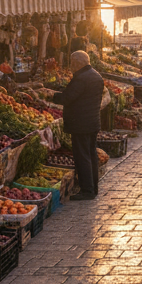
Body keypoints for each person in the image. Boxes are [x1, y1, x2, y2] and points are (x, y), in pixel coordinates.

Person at [50, 51, 105, 201]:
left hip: (81, 123)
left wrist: (50, 95)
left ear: (77, 63)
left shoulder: (81, 78)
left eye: (72, 63)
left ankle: (87, 190)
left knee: (82, 156)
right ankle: (93, 187)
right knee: (91, 154)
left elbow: (68, 98)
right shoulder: (95, 75)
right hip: (92, 122)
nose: (70, 66)